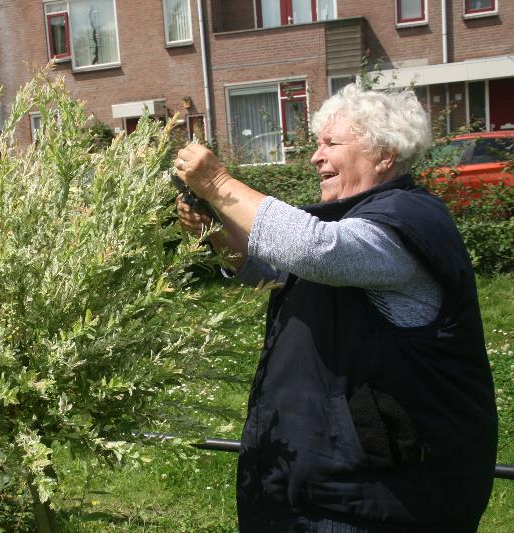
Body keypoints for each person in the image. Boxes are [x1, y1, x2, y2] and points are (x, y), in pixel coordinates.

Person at [175, 84, 497, 532]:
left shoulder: (406, 222)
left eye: (331, 144)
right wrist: (214, 232)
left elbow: (313, 251)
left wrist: (218, 183)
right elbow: (268, 271)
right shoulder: (351, 219)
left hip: (376, 498)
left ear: (383, 153)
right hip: (308, 484)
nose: (315, 156)